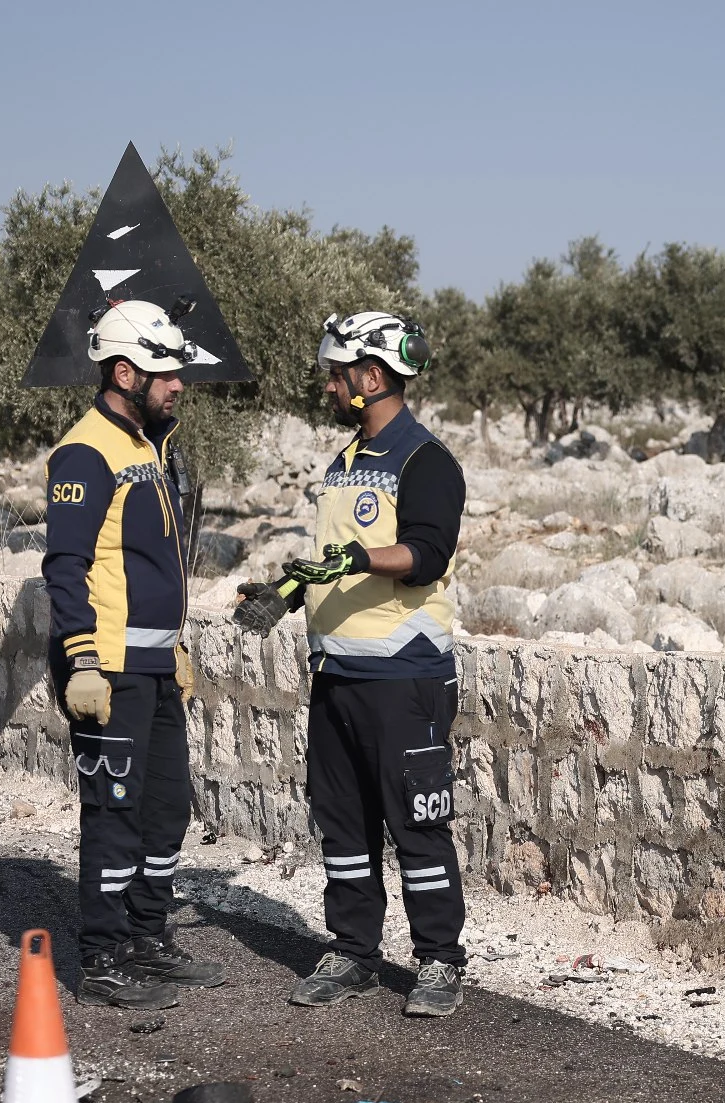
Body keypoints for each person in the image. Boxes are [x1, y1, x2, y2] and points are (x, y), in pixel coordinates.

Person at [246, 311, 468, 1019]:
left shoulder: (426, 461)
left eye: (336, 375)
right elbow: (332, 559)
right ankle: (353, 950)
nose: (328, 386)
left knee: (417, 824)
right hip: (336, 675)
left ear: (370, 378)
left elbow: (426, 553)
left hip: (404, 676)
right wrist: (287, 590)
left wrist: (360, 559)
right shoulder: (344, 463)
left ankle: (438, 960)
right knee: (342, 824)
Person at [43, 299, 226, 1008]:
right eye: (165, 373)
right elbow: (66, 565)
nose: (178, 384)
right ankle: (103, 952)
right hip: (108, 669)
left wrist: (173, 648)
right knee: (113, 810)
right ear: (125, 371)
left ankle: (149, 937)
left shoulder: (148, 446)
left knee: (164, 809)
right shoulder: (85, 451)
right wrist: (83, 661)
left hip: (153, 665)